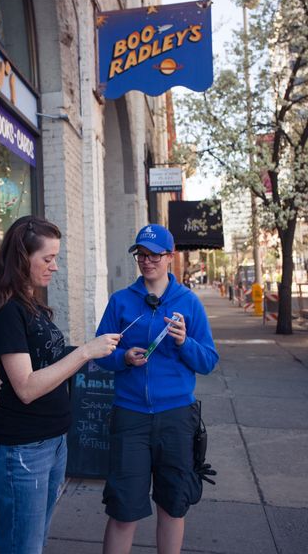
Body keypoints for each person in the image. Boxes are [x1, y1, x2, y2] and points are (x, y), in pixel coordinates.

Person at [0, 215, 120, 554]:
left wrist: (106, 350)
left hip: (54, 442)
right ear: (20, 258)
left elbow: (48, 360)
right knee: (22, 547)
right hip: (23, 450)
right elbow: (26, 387)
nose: (54, 267)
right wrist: (86, 352)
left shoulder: (33, 306)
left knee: (36, 541)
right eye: (47, 258)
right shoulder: (6, 313)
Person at [96, 224, 219, 554]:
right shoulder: (120, 301)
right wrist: (123, 358)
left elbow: (208, 360)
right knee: (123, 510)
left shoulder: (188, 303)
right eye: (141, 254)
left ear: (170, 257)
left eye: (154, 255)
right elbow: (100, 353)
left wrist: (184, 342)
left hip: (177, 418)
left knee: (173, 506)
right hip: (131, 417)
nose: (146, 261)